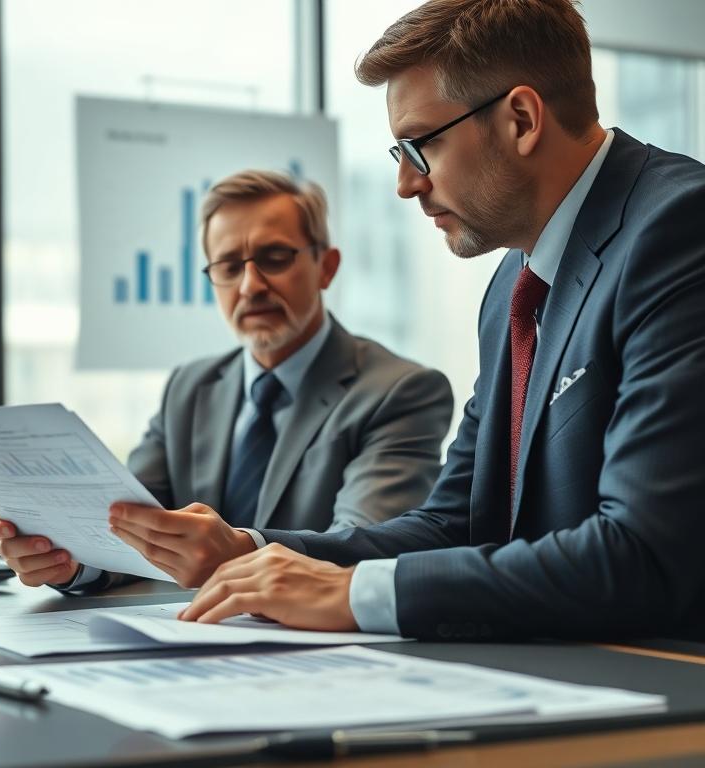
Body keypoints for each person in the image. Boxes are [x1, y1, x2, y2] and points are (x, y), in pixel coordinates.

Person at [115, 0, 705, 641]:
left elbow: (645, 553)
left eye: (421, 146)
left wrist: (355, 593)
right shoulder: (516, 281)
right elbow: (454, 522)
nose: (404, 183)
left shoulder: (679, 231)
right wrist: (247, 551)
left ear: (522, 119)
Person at [0, 170, 453, 591]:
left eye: (274, 257)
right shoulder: (189, 389)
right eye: (229, 267)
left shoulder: (400, 391)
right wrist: (70, 563)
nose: (250, 286)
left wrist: (240, 549)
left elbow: (363, 547)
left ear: (326, 267)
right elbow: (129, 529)